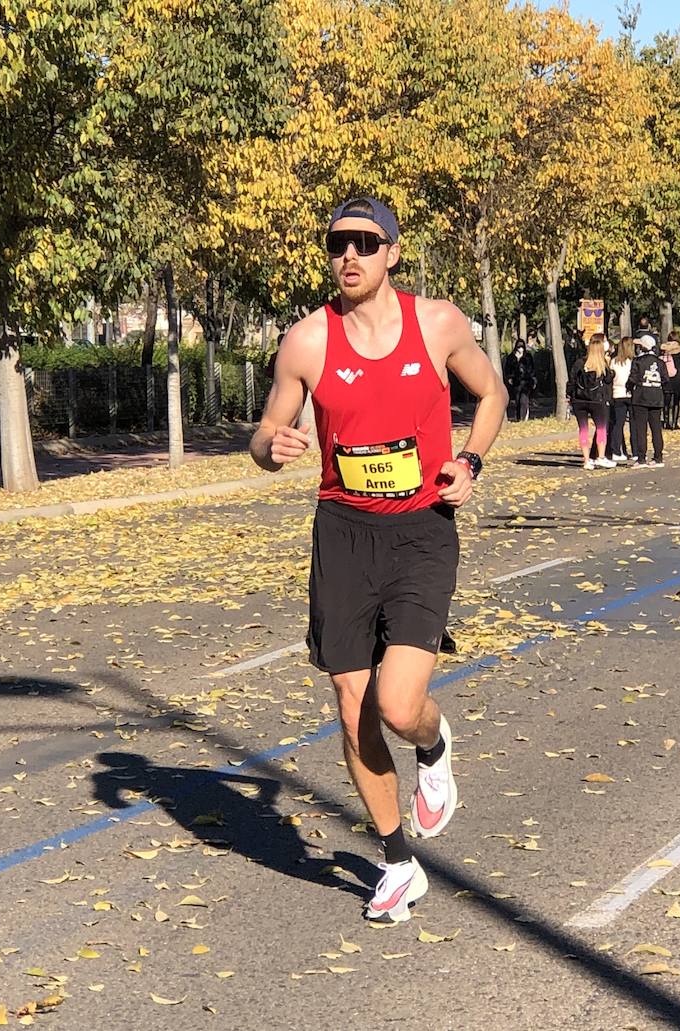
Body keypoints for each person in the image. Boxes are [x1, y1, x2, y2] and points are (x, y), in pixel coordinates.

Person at [249, 197, 506, 925]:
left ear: (394, 251)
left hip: (422, 530)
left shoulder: (439, 323)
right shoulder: (306, 342)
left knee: (398, 704)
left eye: (367, 242)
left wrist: (471, 459)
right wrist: (275, 446)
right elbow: (265, 434)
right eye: (339, 244)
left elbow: (491, 393)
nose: (350, 255)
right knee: (352, 706)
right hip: (343, 534)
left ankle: (433, 740)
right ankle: (399, 862)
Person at [567, 334, 616, 470]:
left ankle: (587, 460)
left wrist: (569, 396)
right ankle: (600, 457)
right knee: (601, 428)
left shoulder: (579, 363)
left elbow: (571, 381)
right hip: (597, 400)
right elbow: (608, 379)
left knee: (583, 429)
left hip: (579, 400)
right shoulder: (601, 364)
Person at [628, 334, 669, 466]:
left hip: (641, 397)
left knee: (641, 428)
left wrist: (629, 387)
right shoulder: (660, 362)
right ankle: (658, 456)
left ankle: (641, 458)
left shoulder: (638, 361)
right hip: (656, 397)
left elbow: (632, 378)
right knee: (656, 428)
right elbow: (666, 379)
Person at [606, 336, 635, 462]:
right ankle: (636, 451)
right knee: (634, 424)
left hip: (617, 394)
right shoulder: (633, 362)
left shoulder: (614, 362)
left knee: (618, 424)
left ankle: (616, 450)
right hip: (631, 395)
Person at [503, 339, 535, 422]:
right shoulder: (511, 357)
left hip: (526, 381)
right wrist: (509, 377)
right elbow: (507, 369)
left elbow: (532, 368)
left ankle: (523, 417)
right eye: (519, 347)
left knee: (523, 400)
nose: (521, 349)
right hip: (516, 382)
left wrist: (532, 378)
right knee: (517, 400)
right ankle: (518, 417)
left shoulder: (527, 356)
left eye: (522, 347)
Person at [661, 333, 680, 429]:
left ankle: (666, 422)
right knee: (676, 401)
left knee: (666, 401)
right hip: (678, 377)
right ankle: (675, 423)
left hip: (666, 377)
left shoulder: (663, 349)